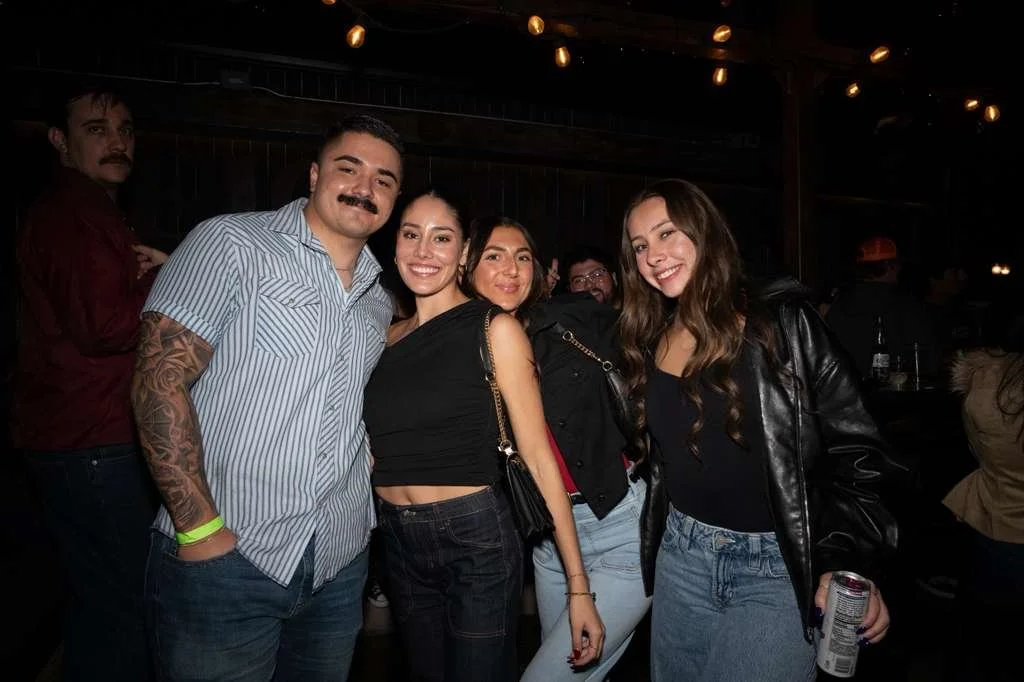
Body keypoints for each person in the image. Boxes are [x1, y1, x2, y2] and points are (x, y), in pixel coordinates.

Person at [131, 114, 402, 681]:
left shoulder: (380, 299)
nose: (365, 187)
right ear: (313, 174)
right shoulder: (230, 242)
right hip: (227, 560)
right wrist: (200, 529)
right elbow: (159, 382)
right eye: (348, 168)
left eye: (384, 179)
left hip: (337, 563)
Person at [618, 179, 900, 681]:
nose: (653, 256)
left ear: (705, 232)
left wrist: (848, 560)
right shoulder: (652, 335)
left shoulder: (782, 324)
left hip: (774, 568)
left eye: (666, 234)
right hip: (681, 557)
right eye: (640, 246)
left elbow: (860, 452)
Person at [362, 191, 604, 682]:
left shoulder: (494, 328)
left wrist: (578, 588)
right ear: (395, 247)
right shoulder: (384, 337)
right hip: (397, 540)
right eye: (412, 234)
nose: (425, 250)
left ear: (462, 253)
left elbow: (539, 459)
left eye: (442, 237)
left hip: (474, 538)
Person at [11, 82, 165, 681]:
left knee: (97, 599)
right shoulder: (72, 213)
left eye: (124, 130)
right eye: (97, 130)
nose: (117, 142)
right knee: (127, 602)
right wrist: (171, 279)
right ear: (60, 140)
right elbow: (106, 326)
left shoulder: (89, 210)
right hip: (90, 440)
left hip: (72, 436)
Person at [462, 217, 649, 681]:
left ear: (542, 271)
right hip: (548, 544)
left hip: (619, 530)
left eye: (522, 256)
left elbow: (656, 346)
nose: (511, 269)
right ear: (466, 265)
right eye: (494, 255)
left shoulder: (575, 318)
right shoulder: (464, 346)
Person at [944, 313, 1024, 682]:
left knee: (984, 645)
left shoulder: (983, 380)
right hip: (999, 525)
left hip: (996, 522)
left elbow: (978, 449)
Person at [824, 235, 936, 381]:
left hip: (847, 395)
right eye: (897, 264)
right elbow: (929, 359)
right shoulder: (907, 306)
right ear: (891, 266)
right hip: (896, 397)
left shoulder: (836, 305)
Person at [562, 244, 621, 308]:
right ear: (570, 289)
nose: (589, 285)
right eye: (579, 281)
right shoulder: (563, 316)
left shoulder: (632, 313)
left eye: (597, 275)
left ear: (614, 278)